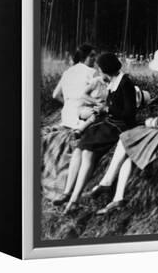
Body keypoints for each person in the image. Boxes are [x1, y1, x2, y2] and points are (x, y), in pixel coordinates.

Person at [88, 48, 158, 215]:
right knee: (131, 149)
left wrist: (151, 121)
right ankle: (118, 198)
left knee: (126, 137)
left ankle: (107, 182)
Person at [53, 53, 137, 214]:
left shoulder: (125, 83)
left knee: (87, 153)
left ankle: (74, 200)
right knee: (80, 149)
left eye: (100, 70)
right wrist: (101, 109)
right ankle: (68, 193)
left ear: (106, 70)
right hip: (110, 123)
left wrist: (107, 109)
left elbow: (129, 113)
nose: (99, 73)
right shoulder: (113, 82)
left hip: (120, 126)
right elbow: (112, 106)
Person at [52, 44, 97, 129]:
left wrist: (70, 104)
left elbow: (55, 95)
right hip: (83, 115)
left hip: (66, 115)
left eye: (95, 56)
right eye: (91, 56)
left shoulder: (67, 72)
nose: (95, 58)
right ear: (83, 57)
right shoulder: (92, 72)